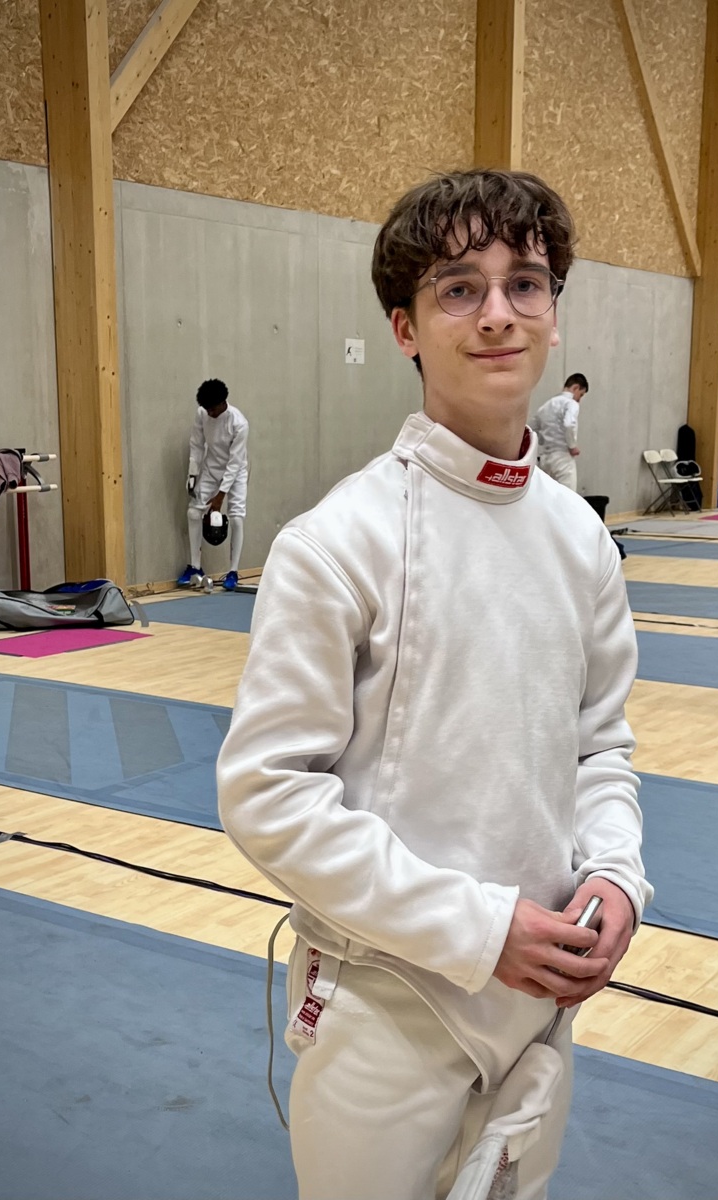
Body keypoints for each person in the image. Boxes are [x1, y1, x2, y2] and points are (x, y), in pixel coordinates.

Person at [217, 169, 652, 1200]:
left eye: (525, 284)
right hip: (388, 1005)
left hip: (540, 1004)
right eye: (460, 288)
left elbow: (600, 746)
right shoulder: (339, 542)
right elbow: (267, 793)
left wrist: (616, 876)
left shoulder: (581, 539)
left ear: (553, 314)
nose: (498, 313)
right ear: (405, 327)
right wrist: (479, 929)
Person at [177, 379, 249, 591]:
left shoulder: (239, 424)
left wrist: (220, 496)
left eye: (213, 409)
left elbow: (234, 463)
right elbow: (197, 445)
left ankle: (233, 572)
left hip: (236, 473)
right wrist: (192, 475)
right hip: (210, 469)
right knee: (193, 512)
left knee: (236, 517)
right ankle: (195, 567)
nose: (210, 413)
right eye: (207, 409)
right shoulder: (202, 413)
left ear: (223, 402)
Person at [529, 373, 588, 489]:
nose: (579, 399)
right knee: (568, 495)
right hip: (562, 457)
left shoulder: (545, 406)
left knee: (546, 495)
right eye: (580, 395)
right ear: (575, 388)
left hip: (545, 459)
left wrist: (542, 441)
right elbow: (569, 424)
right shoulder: (571, 404)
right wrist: (572, 446)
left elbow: (531, 429)